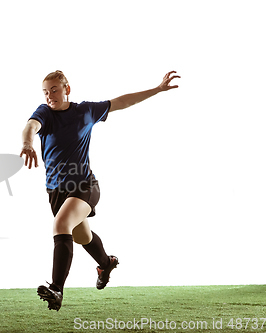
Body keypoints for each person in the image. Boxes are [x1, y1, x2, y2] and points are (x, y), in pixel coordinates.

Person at [20, 70, 180, 311]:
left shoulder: (85, 111)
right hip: (55, 191)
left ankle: (57, 289)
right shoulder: (45, 113)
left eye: (54, 90)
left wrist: (157, 89)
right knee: (81, 237)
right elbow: (31, 126)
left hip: (85, 185)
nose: (50, 95)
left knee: (60, 226)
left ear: (67, 89)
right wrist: (26, 143)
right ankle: (106, 263)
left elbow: (122, 101)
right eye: (45, 92)